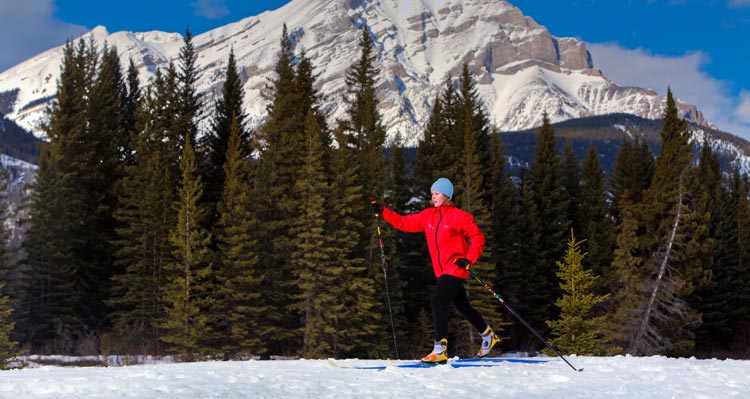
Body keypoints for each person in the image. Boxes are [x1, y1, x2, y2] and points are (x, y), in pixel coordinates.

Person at [370, 177, 500, 363]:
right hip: (442, 271)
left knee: (437, 303)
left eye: (437, 193)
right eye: (432, 194)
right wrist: (383, 212)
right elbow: (403, 222)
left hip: (455, 267)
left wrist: (469, 258)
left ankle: (440, 350)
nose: (433, 197)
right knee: (463, 306)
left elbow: (477, 237)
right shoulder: (428, 216)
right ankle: (488, 335)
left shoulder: (459, 216)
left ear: (447, 195)